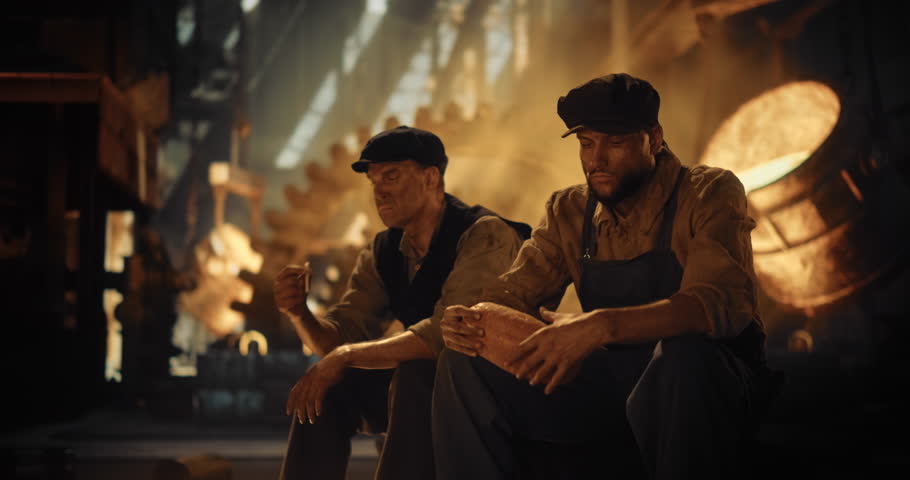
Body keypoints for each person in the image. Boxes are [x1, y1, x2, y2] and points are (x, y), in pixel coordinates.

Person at [434, 73, 771, 479]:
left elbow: (717, 305)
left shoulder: (708, 192)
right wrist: (471, 320)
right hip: (613, 385)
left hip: (708, 384)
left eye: (615, 142)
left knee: (683, 354)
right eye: (587, 143)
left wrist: (601, 325)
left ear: (655, 138)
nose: (597, 160)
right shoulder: (568, 211)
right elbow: (513, 293)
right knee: (465, 359)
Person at [274, 125, 531, 480]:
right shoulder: (385, 251)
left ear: (431, 178)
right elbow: (338, 337)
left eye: (391, 177)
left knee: (416, 372)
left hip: (491, 389)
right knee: (326, 388)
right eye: (374, 181)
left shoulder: (486, 235)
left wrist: (345, 356)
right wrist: (299, 313)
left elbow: (449, 333)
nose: (379, 192)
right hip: (425, 389)